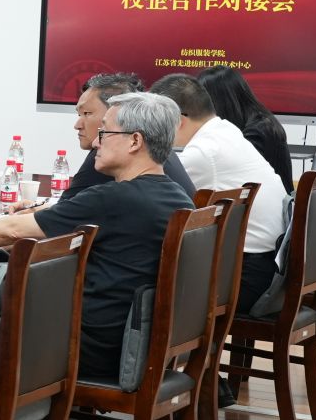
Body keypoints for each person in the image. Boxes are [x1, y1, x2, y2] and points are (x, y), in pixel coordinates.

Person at [0, 92, 195, 387]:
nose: (94, 143)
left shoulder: (114, 199)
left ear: (135, 141)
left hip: (89, 348)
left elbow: (12, 230)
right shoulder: (178, 198)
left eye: (104, 133)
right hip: (133, 344)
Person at [152, 73, 289, 313]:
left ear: (177, 120)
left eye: (156, 122)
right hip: (266, 269)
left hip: (244, 278)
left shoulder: (204, 152)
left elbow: (153, 198)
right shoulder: (226, 130)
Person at [51, 73, 194, 206]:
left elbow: (61, 213)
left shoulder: (112, 158)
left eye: (87, 113)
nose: (77, 125)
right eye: (79, 114)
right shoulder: (157, 153)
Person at [201, 64, 295, 193]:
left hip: (269, 203)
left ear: (220, 101)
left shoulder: (257, 132)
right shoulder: (260, 121)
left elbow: (236, 177)